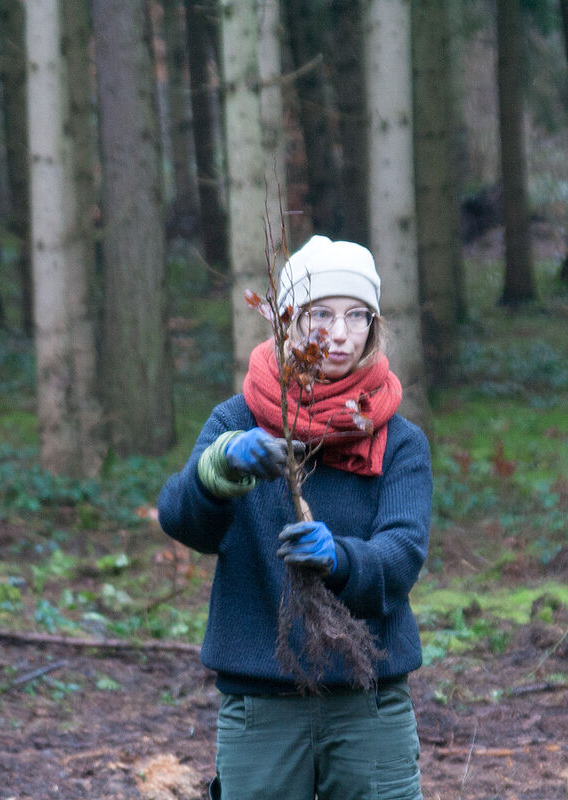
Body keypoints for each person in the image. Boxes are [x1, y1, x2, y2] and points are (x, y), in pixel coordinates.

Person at [157, 234, 431, 800]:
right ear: (286, 323)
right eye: (320, 314)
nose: (338, 333)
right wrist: (220, 468)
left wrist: (342, 559)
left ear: (374, 328)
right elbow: (184, 521)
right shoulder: (240, 418)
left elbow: (403, 554)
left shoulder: (399, 440)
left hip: (368, 701)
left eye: (357, 316)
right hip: (262, 702)